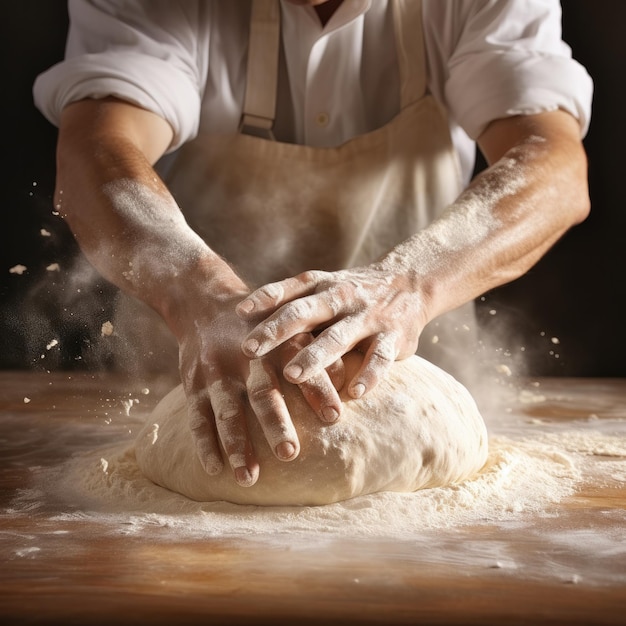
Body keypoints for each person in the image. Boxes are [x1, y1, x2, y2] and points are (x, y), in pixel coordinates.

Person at [33, 0, 593, 488]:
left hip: (407, 371)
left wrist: (410, 284)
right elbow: (95, 150)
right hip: (194, 380)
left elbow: (553, 165)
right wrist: (199, 293)